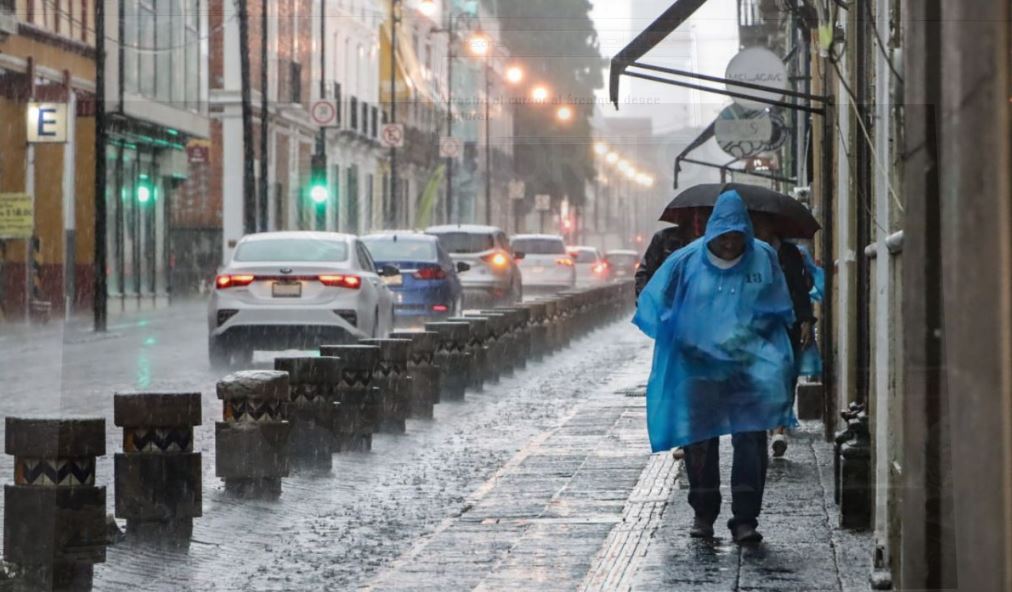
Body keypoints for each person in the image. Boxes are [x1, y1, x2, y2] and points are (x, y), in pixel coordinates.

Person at [633, 190, 797, 543]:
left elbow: (778, 308)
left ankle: (745, 519)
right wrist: (680, 333)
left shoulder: (764, 259)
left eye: (738, 237)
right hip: (698, 367)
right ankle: (703, 514)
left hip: (746, 368)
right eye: (724, 237)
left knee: (751, 441)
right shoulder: (685, 262)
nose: (730, 244)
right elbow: (655, 302)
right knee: (700, 443)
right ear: (713, 233)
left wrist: (762, 345)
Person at [752, 215, 816, 457]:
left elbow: (800, 289)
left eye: (762, 223)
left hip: (788, 323)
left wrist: (806, 320)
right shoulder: (749, 252)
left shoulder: (789, 253)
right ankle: (768, 422)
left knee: (787, 373)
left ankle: (779, 428)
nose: (759, 228)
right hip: (759, 325)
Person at [634, 225, 689, 297]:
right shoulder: (663, 238)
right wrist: (644, 301)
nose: (697, 222)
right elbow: (645, 272)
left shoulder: (705, 244)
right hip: (664, 301)